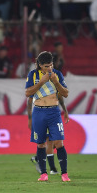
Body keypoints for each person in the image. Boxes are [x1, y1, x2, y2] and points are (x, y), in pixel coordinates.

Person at [25, 51, 70, 182]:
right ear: (39, 65)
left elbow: (65, 93)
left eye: (51, 65)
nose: (49, 68)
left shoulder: (57, 74)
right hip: (39, 111)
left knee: (59, 142)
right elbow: (27, 93)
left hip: (54, 112)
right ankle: (44, 174)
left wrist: (56, 82)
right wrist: (41, 82)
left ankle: (65, 174)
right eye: (46, 66)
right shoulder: (33, 75)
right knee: (40, 144)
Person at [29, 95, 69, 174]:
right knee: (50, 141)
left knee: (53, 142)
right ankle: (52, 168)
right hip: (45, 115)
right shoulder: (44, 88)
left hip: (51, 115)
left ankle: (38, 158)